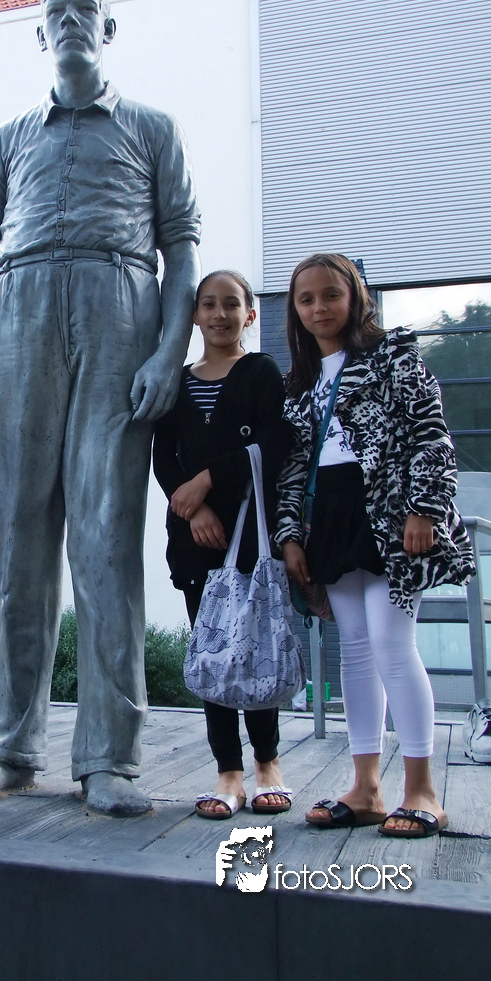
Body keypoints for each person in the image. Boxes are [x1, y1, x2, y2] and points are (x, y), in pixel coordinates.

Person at [0, 0, 200, 816]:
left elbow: (180, 249)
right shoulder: (9, 137)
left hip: (118, 307)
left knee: (106, 538)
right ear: (40, 35)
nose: (70, 23)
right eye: (55, 14)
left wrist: (168, 351)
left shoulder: (152, 127)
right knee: (18, 537)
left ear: (108, 28)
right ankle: (9, 746)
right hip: (18, 313)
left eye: (85, 11)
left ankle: (109, 757)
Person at [274, 253, 474, 837]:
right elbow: (294, 466)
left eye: (331, 295)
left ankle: (422, 790)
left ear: (355, 296)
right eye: (306, 299)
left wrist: (422, 508)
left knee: (391, 643)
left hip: (390, 516)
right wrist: (290, 535)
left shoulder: (394, 356)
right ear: (295, 310)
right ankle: (365, 789)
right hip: (331, 520)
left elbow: (431, 435)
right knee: (356, 650)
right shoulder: (301, 380)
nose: (319, 308)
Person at [153, 270, 294, 820]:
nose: (219, 314)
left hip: (251, 533)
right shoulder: (177, 382)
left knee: (254, 646)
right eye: (208, 304)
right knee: (212, 651)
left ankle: (267, 763)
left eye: (231, 304)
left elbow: (276, 442)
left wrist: (210, 479)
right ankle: (228, 772)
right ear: (194, 316)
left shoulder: (261, 371)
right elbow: (164, 458)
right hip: (195, 537)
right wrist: (195, 508)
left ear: (249, 314)